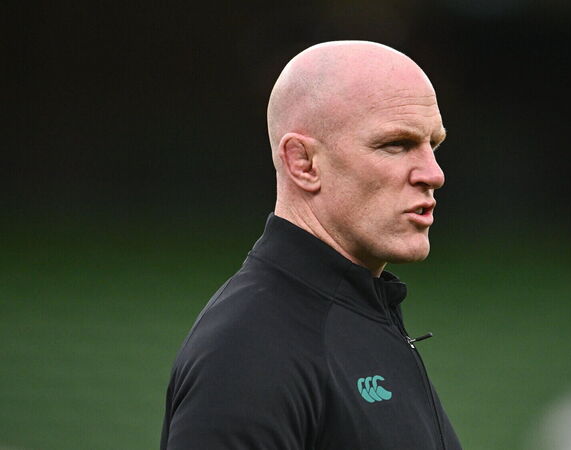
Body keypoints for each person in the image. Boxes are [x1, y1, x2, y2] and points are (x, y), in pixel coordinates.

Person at [160, 41, 462, 449]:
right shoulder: (250, 350)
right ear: (303, 162)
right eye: (396, 145)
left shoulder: (355, 318)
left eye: (433, 145)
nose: (434, 173)